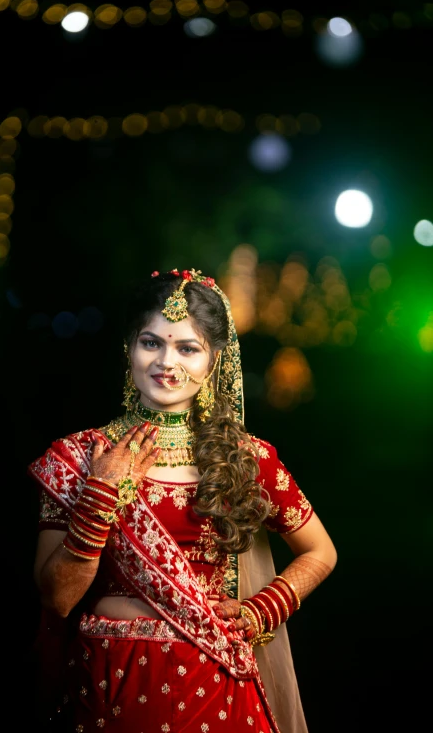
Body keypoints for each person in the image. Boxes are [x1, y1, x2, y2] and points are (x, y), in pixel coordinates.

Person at [28, 268, 337, 733]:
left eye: (187, 348)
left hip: (214, 682)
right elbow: (58, 598)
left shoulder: (245, 459)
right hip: (108, 683)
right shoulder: (76, 456)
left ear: (213, 361)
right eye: (151, 342)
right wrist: (100, 493)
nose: (166, 362)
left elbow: (321, 551)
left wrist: (260, 610)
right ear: (129, 346)